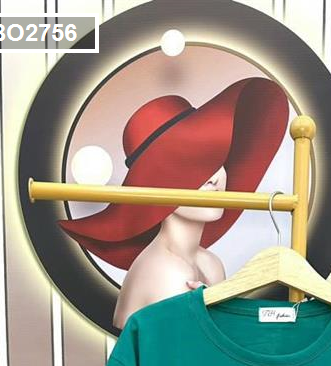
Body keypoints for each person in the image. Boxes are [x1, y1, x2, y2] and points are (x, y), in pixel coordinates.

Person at [59, 77, 290, 326]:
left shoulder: (210, 263)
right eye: (194, 167)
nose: (214, 178)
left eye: (217, 160)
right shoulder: (169, 272)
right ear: (160, 183)